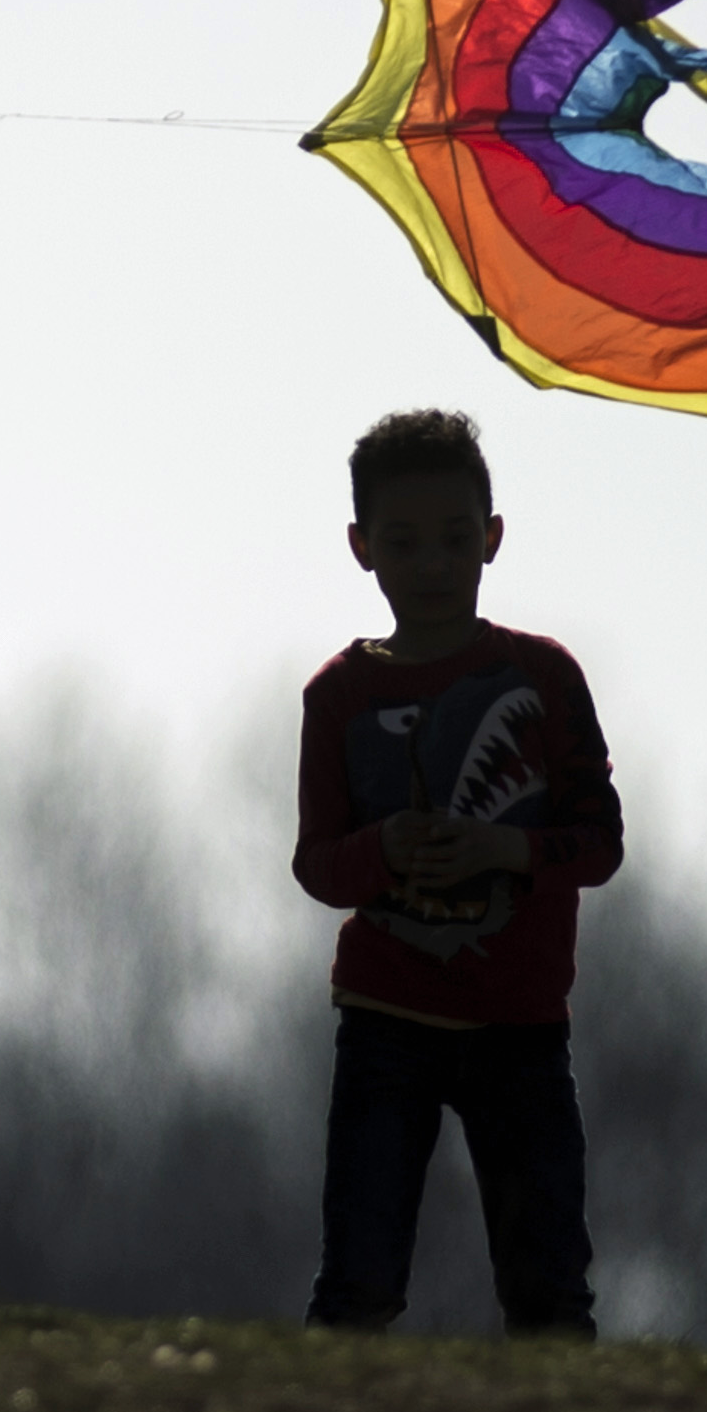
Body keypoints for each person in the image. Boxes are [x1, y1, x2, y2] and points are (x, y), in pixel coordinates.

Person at [292, 407, 623, 1336]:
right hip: (382, 1021)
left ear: (492, 538)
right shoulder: (338, 696)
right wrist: (383, 851)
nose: (432, 564)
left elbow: (600, 842)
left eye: (452, 539)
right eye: (404, 543)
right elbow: (317, 865)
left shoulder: (547, 676)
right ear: (362, 548)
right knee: (357, 1279)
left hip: (522, 1027)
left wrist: (505, 849)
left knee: (549, 1286)